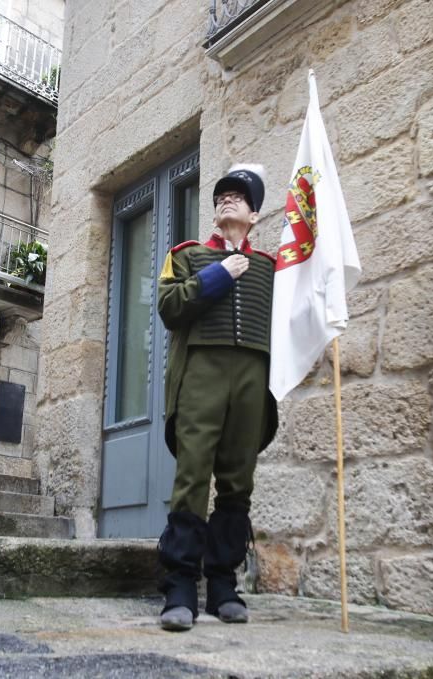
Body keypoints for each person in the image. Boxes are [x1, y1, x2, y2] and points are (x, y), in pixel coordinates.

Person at [155, 165, 279, 632]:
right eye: (222, 195)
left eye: (239, 197)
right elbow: (168, 307)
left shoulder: (270, 266)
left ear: (255, 214)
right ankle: (180, 584)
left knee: (237, 481)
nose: (228, 200)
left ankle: (223, 583)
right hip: (201, 373)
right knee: (192, 476)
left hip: (251, 375)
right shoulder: (186, 256)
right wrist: (218, 277)